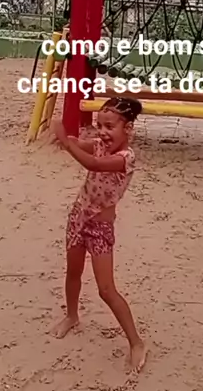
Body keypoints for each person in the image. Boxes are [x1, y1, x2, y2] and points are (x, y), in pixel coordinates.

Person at [50, 97, 147, 372]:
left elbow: (93, 164)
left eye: (109, 126)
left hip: (100, 228)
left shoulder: (126, 158)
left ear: (128, 128)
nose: (103, 132)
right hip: (78, 217)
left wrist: (66, 142)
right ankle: (72, 316)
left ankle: (136, 342)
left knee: (106, 290)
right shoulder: (99, 144)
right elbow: (81, 145)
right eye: (99, 125)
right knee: (73, 272)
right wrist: (67, 138)